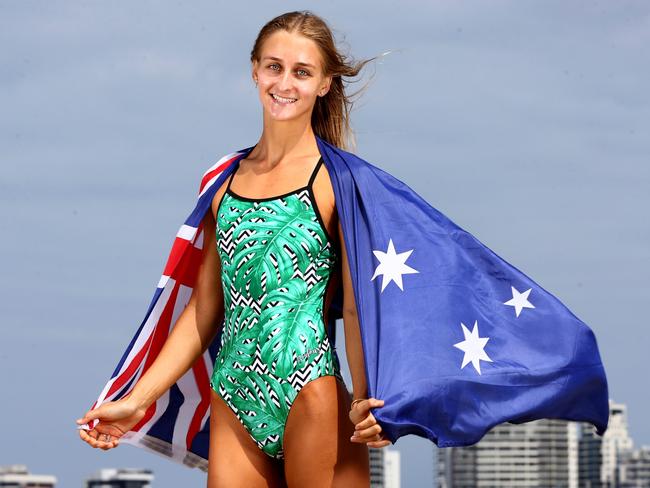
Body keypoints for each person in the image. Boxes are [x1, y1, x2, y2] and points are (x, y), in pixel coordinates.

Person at [76, 10, 392, 487]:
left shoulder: (334, 181)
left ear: (324, 84)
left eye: (302, 72)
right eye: (274, 67)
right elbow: (206, 307)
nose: (285, 82)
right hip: (234, 396)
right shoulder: (224, 183)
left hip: (312, 391)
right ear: (254, 71)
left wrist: (365, 399)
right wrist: (137, 401)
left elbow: (354, 303)